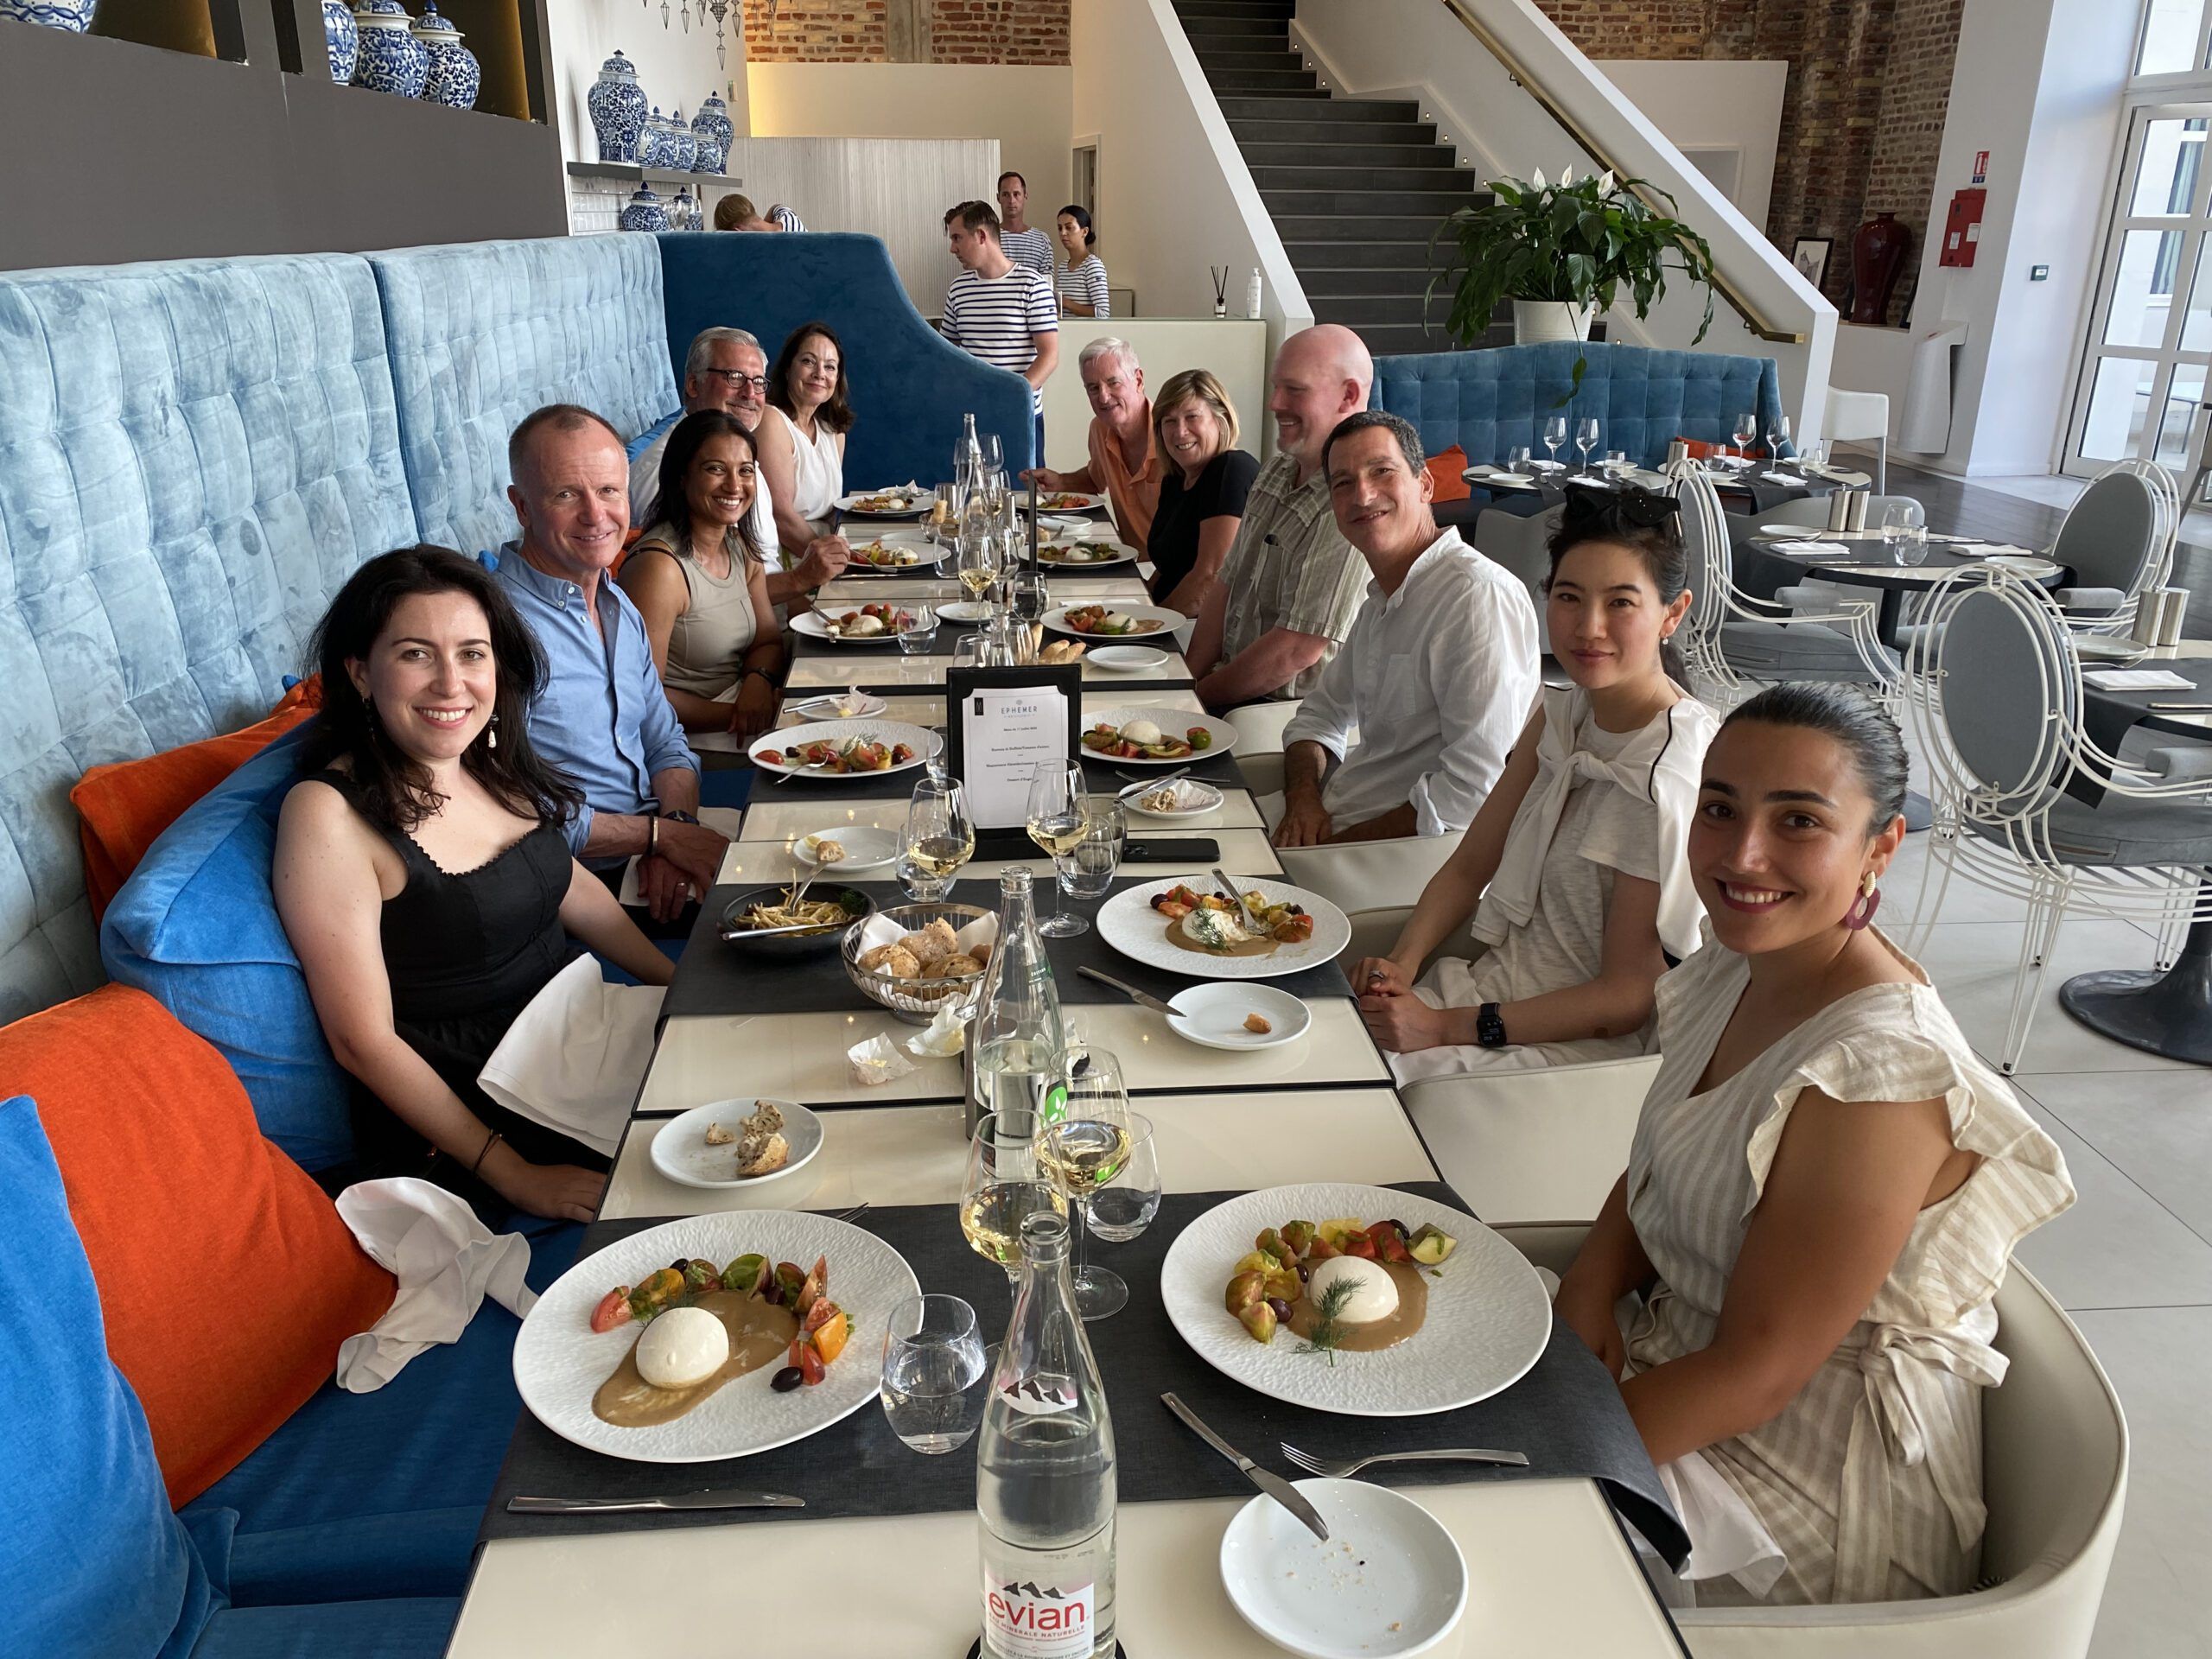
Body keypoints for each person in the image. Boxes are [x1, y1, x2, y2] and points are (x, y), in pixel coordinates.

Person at [1557, 683, 2075, 1606]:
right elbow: (1671, 1158)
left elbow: (1755, 1377)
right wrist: (1590, 1283)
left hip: (1807, 1493)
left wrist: (1538, 1453)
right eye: (1719, 809)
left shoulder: (1877, 1077)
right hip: (1681, 1370)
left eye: (1798, 821)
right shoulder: (1736, 964)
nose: (1741, 854)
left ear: (1880, 848)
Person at [273, 547, 676, 1225]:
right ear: (360, 673)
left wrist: (680, 987)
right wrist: (516, 1176)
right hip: (486, 1110)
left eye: (471, 653)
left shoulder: (484, 755)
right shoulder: (327, 815)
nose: (451, 684)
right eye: (414, 655)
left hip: (583, 1044)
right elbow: (362, 1041)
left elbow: (571, 887)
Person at [1353, 486, 1715, 1079]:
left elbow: (1627, 998)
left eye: (1621, 603)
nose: (1588, 627)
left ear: (1672, 614)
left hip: (1566, 1056)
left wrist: (1442, 1029)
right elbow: (1473, 863)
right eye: (1569, 597)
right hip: (1486, 990)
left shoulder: (1665, 772)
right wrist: (1403, 960)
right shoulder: (1563, 714)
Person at [492, 404, 728, 927]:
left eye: (608, 491)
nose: (596, 516)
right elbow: (509, 807)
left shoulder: (617, 605)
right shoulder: (490, 630)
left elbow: (664, 740)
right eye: (565, 495)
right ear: (522, 506)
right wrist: (659, 838)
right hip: (568, 887)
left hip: (650, 848)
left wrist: (675, 828)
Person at [1274, 410, 1539, 847]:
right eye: (1343, 483)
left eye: (1382, 472)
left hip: (1399, 856)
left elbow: (1473, 791)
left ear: (1426, 485)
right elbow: (1319, 716)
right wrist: (1303, 799)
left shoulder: (1476, 597)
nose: (1362, 494)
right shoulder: (1380, 599)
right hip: (1335, 819)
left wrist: (1336, 847)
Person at [1186, 324, 1373, 709]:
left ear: (1349, 395)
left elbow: (1297, 649)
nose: (1274, 403)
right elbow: (1226, 585)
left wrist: (1196, 701)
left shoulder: (1356, 498)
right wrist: (1183, 686)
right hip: (1229, 692)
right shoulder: (1275, 471)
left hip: (1285, 718)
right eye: (1276, 387)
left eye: (1294, 390)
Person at [631, 327, 849, 601]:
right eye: (734, 378)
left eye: (758, 382)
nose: (750, 393)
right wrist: (801, 579)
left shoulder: (742, 458)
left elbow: (766, 569)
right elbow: (706, 597)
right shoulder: (664, 467)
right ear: (693, 385)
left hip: (774, 617)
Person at [618, 411, 786, 737]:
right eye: (715, 469)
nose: (735, 485)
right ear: (682, 477)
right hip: (689, 732)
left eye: (745, 471)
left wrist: (758, 681)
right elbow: (644, 697)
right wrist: (739, 714)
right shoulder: (659, 568)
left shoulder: (739, 546)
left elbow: (767, 640)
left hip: (743, 705)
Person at [942, 200, 1058, 462]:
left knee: (1024, 496)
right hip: (970, 418)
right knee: (969, 495)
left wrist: (1011, 398)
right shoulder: (958, 289)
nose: (952, 248)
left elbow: (1049, 356)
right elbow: (946, 353)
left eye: (958, 238)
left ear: (981, 235)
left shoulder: (1032, 285)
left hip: (1019, 416)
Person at [1020, 337, 1160, 551]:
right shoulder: (1100, 428)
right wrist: (1060, 482)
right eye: (1093, 388)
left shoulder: (1171, 435)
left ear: (1138, 381)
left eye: (1113, 383)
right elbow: (1095, 481)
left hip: (1170, 571)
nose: (1103, 397)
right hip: (1133, 563)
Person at [1144, 368, 1258, 616]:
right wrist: (1137, 604)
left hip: (1197, 628)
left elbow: (1209, 578)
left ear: (1221, 419)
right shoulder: (1176, 478)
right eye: (1169, 421)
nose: (1180, 431)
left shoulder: (1231, 470)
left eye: (1192, 417)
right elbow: (1169, 566)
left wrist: (1147, 627)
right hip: (1173, 617)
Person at [755, 321, 851, 554]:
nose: (820, 374)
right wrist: (831, 561)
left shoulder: (833, 430)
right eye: (808, 361)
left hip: (822, 549)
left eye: (830, 367)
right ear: (788, 368)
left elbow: (831, 511)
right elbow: (780, 516)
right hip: (786, 556)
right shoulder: (771, 420)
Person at [1053, 206, 1109, 318]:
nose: (1063, 233)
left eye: (1069, 228)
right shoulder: (1062, 267)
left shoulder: (1092, 266)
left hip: (1085, 333)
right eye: (1060, 228)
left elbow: (1103, 313)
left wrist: (1067, 303)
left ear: (1084, 232)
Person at [995, 171, 1053, 276]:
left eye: (1016, 194)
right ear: (998, 198)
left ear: (1025, 196)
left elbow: (1047, 285)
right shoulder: (989, 238)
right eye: (1005, 195)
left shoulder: (1042, 240)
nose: (1011, 200)